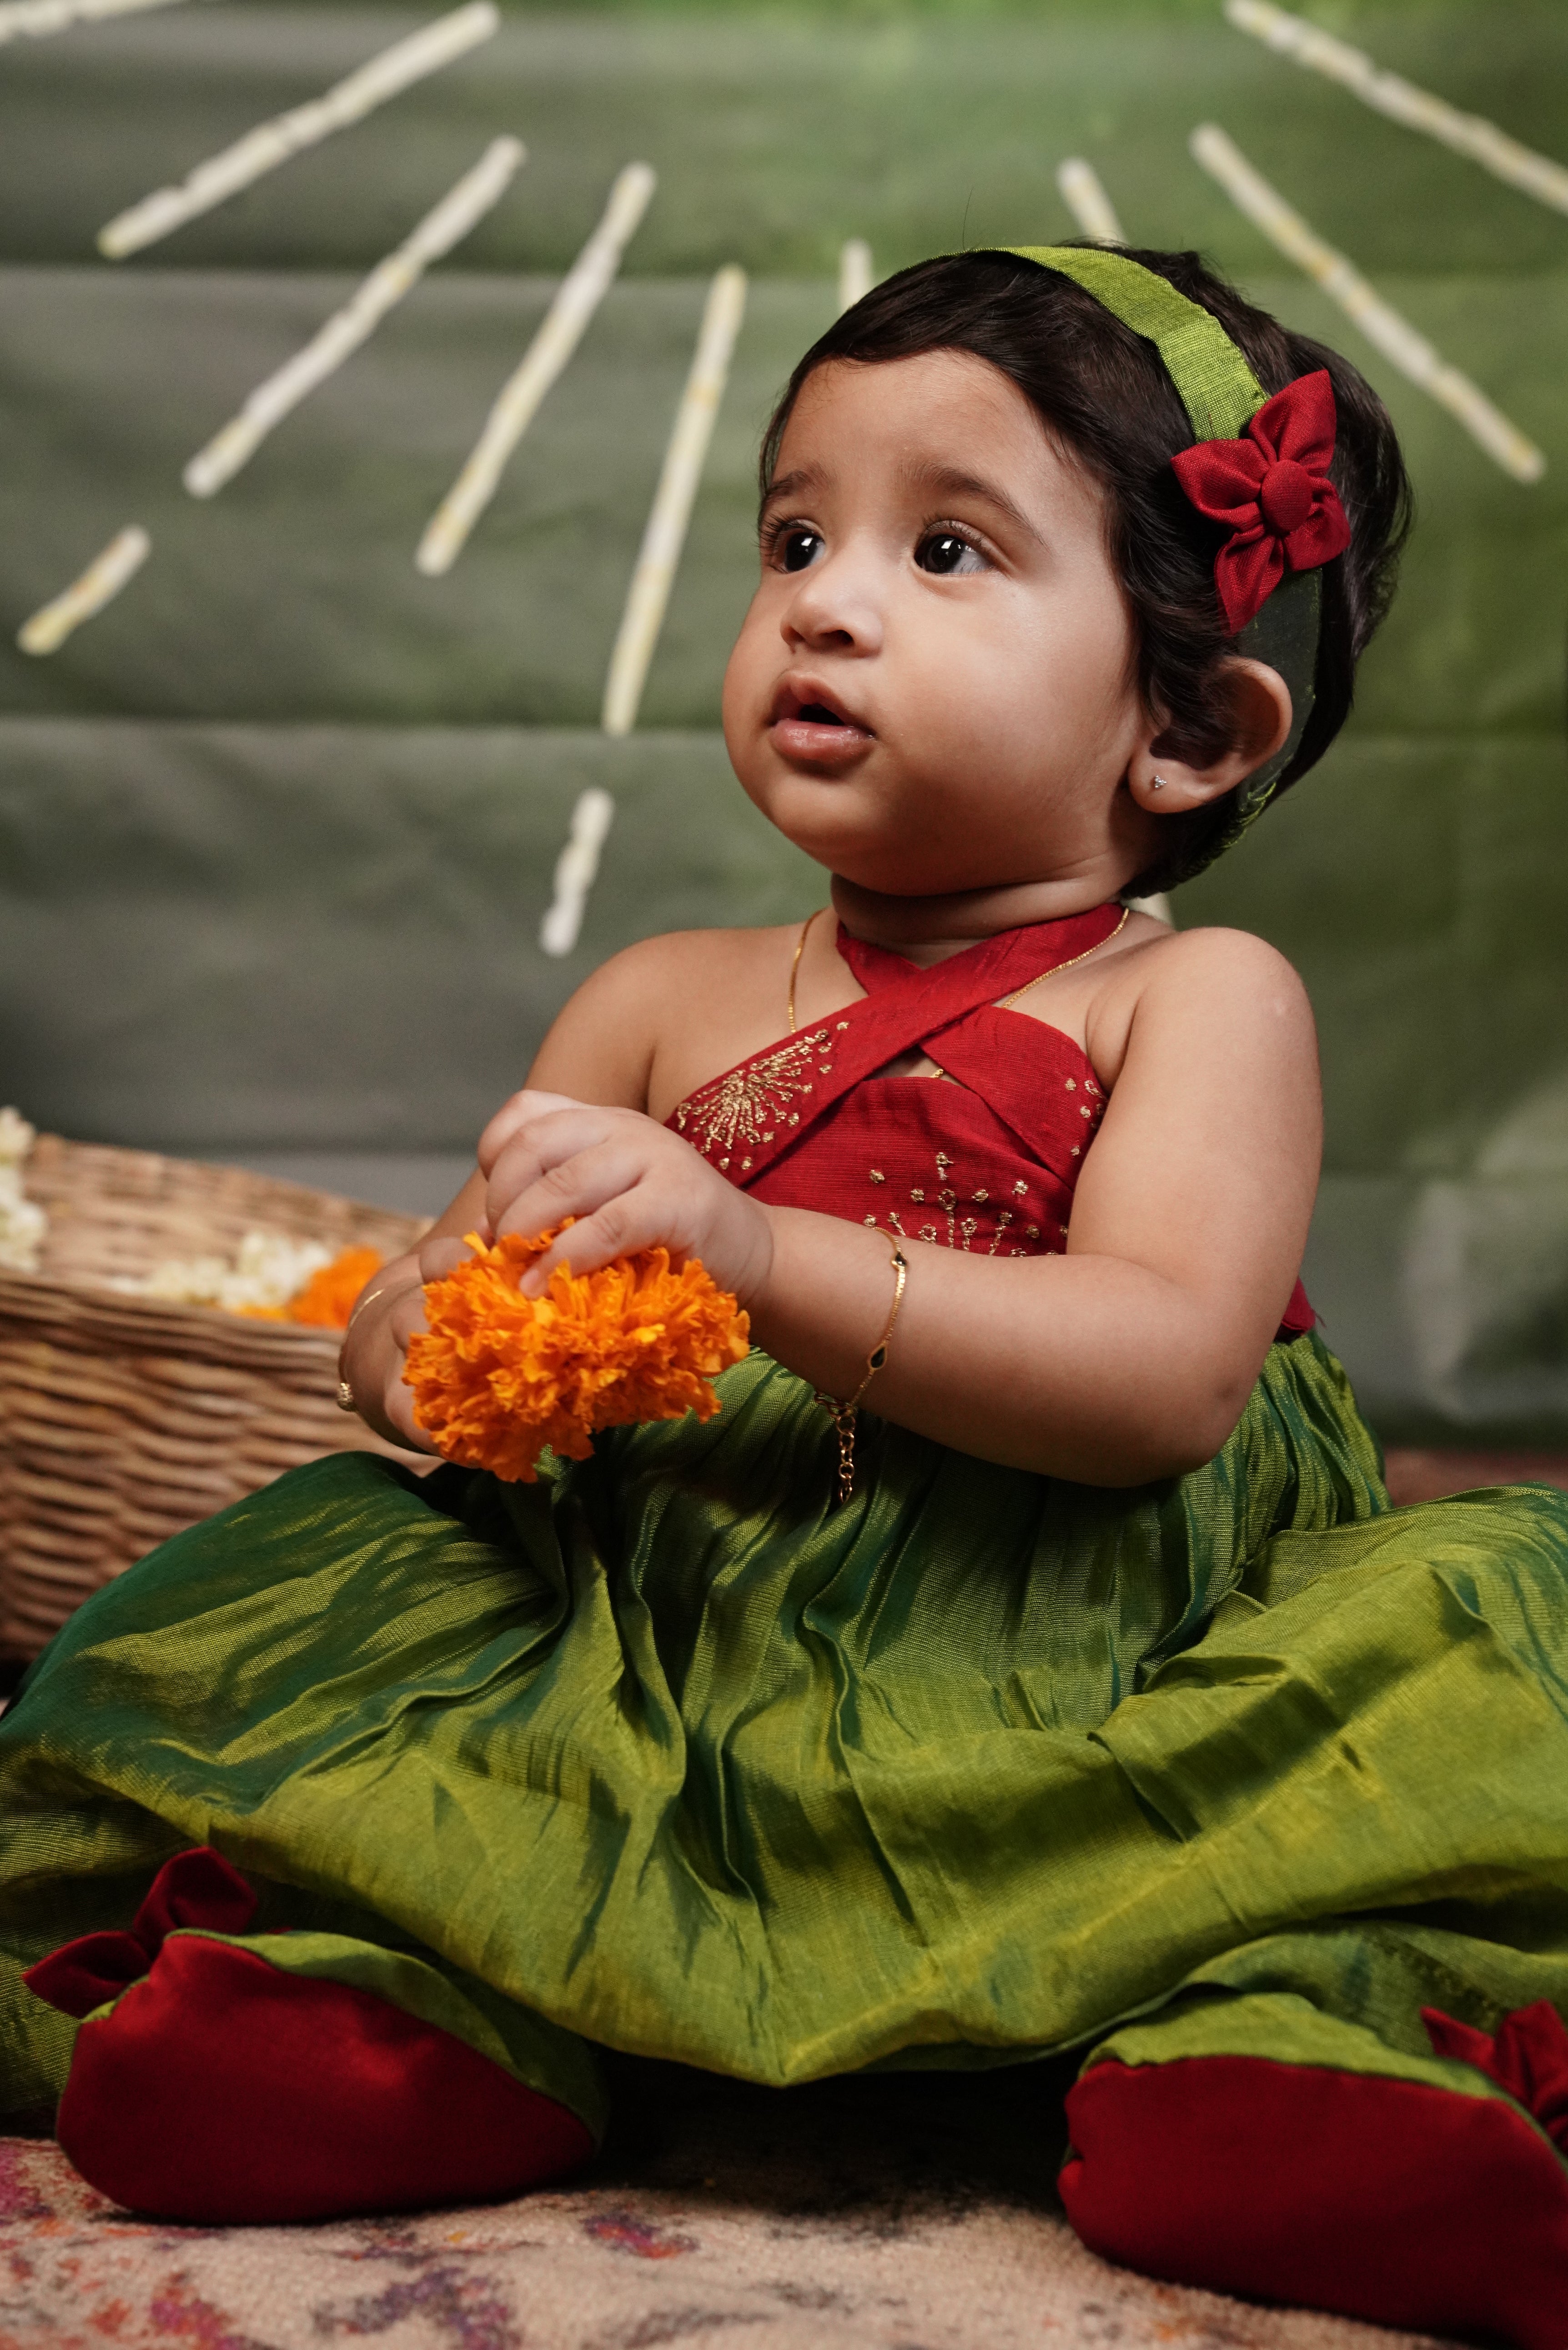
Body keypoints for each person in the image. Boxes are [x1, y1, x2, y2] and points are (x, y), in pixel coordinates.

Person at [5, 244, 1568, 2347]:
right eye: (796, 534)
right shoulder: (663, 995)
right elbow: (417, 1312)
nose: (826, 600)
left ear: (1189, 725)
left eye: (944, 546)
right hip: (664, 1627)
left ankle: (1269, 2060)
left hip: (1074, 1654)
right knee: (392, 1737)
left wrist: (747, 1253)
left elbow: (1165, 1376)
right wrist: (442, 1355)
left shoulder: (1192, 998)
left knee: (1338, 1803)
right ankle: (415, 2017)